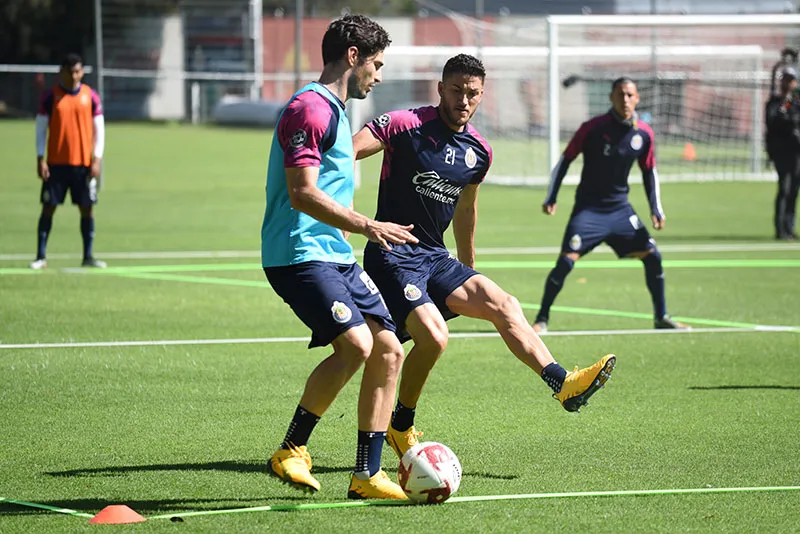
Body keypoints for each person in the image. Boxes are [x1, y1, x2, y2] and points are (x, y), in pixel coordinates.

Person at [352, 54, 616, 460]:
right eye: (456, 91)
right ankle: (400, 425)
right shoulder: (405, 124)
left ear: (482, 95)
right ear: (440, 89)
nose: (464, 100)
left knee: (504, 303)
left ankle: (563, 384)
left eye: (472, 93)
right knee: (434, 337)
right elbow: (346, 154)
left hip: (435, 257)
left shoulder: (479, 151)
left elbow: (466, 208)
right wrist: (347, 218)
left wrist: (467, 267)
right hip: (392, 254)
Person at [261, 15, 418, 500]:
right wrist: (369, 225)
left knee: (390, 349)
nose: (379, 75)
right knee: (356, 346)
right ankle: (291, 449)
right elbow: (302, 193)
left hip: (335, 254)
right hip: (299, 254)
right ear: (353, 56)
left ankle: (367, 475)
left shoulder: (335, 110)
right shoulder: (309, 108)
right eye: (377, 64)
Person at [533, 77, 686, 333]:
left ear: (637, 98)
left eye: (630, 95)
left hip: (620, 211)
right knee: (566, 262)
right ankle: (541, 320)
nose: (625, 99)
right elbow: (565, 160)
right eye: (620, 94)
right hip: (589, 211)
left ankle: (661, 317)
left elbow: (649, 172)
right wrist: (552, 196)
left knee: (653, 256)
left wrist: (655, 208)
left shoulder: (644, 133)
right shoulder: (593, 128)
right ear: (611, 97)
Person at [32, 53, 106, 269]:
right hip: (56, 164)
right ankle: (40, 257)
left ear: (82, 72)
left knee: (87, 208)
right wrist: (40, 158)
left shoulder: (90, 96)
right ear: (61, 72)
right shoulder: (50, 96)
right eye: (70, 72)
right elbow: (40, 130)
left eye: (78, 72)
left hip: (83, 164)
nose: (74, 76)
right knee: (48, 207)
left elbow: (99, 130)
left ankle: (88, 256)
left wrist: (97, 158)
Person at [765, 67, 800, 241]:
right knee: (784, 188)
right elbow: (773, 121)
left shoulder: (796, 102)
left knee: (794, 190)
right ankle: (781, 228)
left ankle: (789, 226)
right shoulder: (776, 102)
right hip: (782, 151)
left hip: (797, 151)